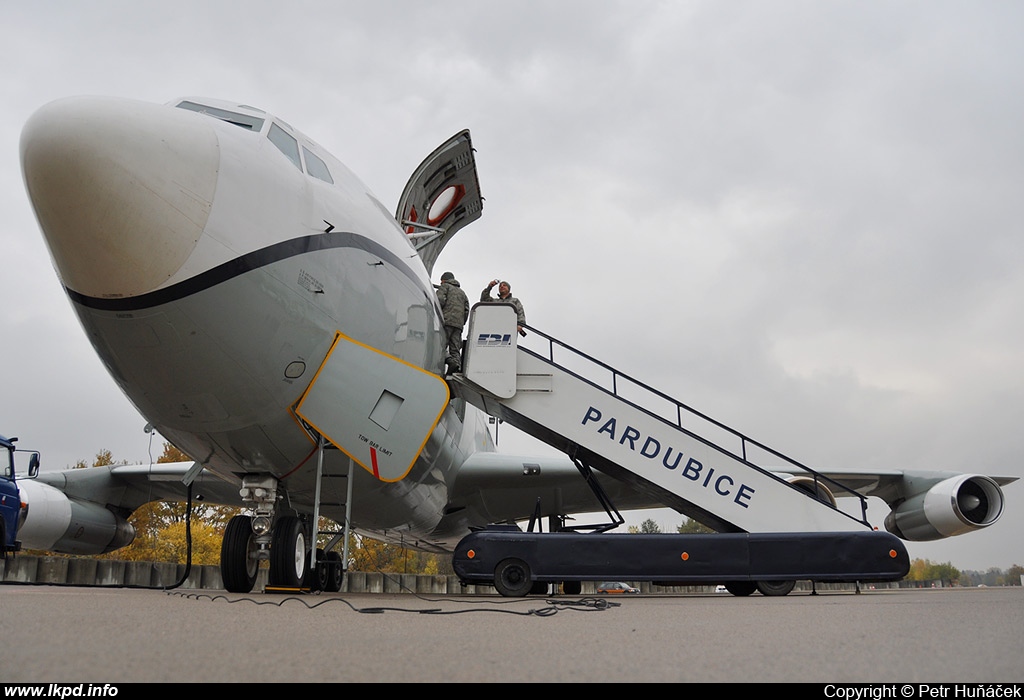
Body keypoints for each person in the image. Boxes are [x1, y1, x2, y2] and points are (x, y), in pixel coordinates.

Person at [436, 271, 469, 373]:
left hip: (446, 321)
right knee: (455, 349)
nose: (441, 283)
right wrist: (462, 323)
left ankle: (440, 367)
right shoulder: (463, 293)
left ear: (444, 280)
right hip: (458, 325)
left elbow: (439, 300)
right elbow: (467, 310)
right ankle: (456, 368)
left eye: (441, 281)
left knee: (440, 345)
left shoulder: (445, 287)